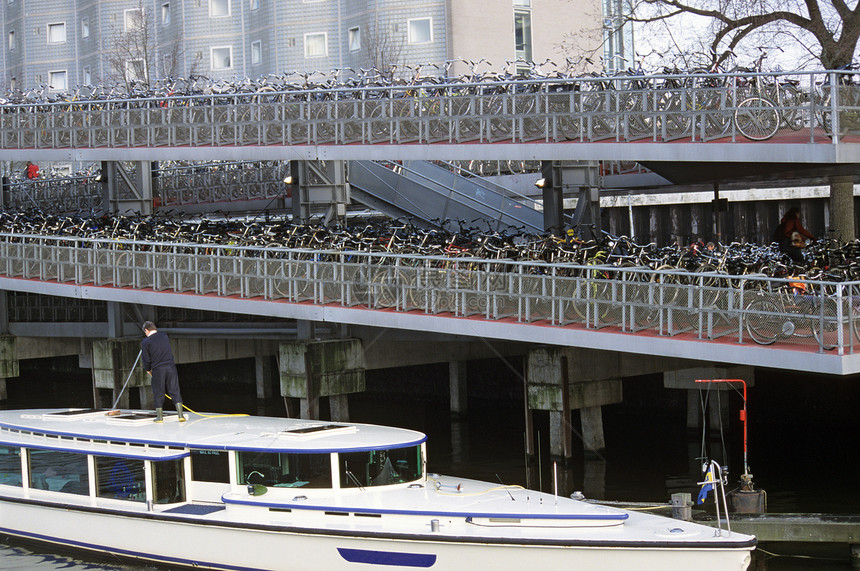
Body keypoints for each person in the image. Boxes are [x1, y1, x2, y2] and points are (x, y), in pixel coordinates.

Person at [140, 321, 184, 423]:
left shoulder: (146, 342)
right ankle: (180, 416)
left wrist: (148, 369)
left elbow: (146, 358)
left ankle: (159, 418)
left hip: (158, 369)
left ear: (146, 330)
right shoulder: (164, 336)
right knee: (174, 389)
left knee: (158, 391)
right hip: (170, 366)